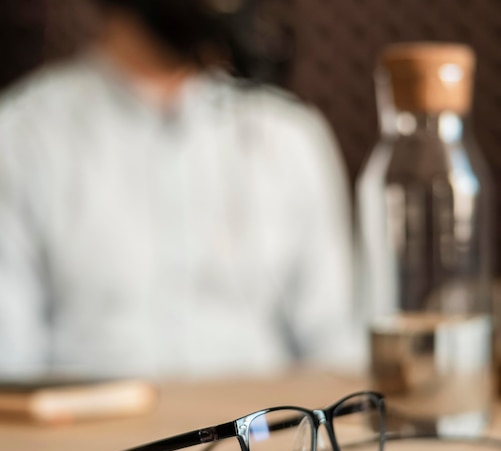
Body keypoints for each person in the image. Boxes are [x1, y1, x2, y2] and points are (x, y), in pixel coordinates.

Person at [0, 0, 360, 379]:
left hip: (259, 430)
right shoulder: (21, 139)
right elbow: (10, 364)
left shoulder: (287, 137)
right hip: (100, 431)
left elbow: (334, 350)